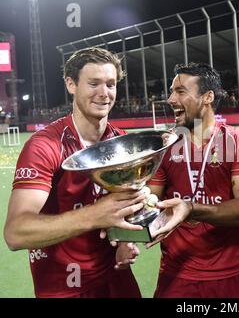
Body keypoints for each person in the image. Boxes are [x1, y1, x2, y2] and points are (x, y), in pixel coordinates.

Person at [4, 47, 144, 298]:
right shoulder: (44, 146)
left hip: (116, 279)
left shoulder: (121, 141)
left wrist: (125, 240)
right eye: (94, 83)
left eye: (111, 84)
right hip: (64, 288)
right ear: (71, 84)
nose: (104, 93)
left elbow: (123, 206)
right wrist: (97, 214)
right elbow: (16, 232)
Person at [146, 63, 239, 298]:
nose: (170, 99)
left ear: (207, 97)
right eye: (171, 91)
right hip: (176, 277)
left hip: (230, 275)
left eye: (180, 91)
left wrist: (189, 208)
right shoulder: (165, 146)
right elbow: (150, 200)